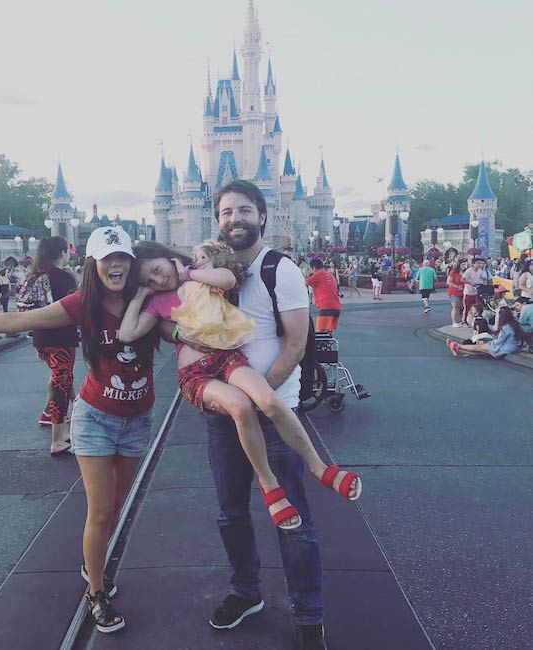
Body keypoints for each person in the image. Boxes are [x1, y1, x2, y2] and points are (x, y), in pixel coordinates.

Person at [0, 226, 157, 634]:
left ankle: (90, 561)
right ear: (93, 264)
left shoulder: (150, 302)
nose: (115, 265)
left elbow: (187, 327)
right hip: (96, 418)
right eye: (106, 258)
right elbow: (20, 319)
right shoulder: (84, 303)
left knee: (115, 509)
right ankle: (97, 591)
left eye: (122, 258)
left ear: (131, 263)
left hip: (137, 420)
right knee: (99, 511)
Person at [185, 179, 333, 648]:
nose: (235, 220)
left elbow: (295, 342)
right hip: (223, 415)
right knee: (231, 513)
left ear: (264, 216)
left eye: (244, 211)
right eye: (227, 212)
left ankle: (309, 614)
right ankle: (245, 591)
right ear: (218, 220)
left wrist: (258, 395)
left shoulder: (279, 270)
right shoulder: (213, 270)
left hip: (273, 411)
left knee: (292, 518)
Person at [123, 241, 359, 526]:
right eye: (150, 280)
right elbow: (127, 333)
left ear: (167, 257)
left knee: (270, 400)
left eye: (157, 270)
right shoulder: (158, 301)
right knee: (242, 406)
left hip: (229, 359)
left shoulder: (202, 272)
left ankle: (320, 467)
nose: (159, 280)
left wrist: (188, 273)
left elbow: (228, 279)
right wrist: (140, 295)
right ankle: (269, 485)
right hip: (196, 374)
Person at [30, 236, 79, 455]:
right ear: (61, 253)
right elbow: (75, 308)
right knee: (62, 382)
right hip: (61, 338)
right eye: (67, 250)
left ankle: (48, 414)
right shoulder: (64, 278)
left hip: (41, 337)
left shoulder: (36, 276)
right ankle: (58, 438)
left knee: (60, 375)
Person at [447, 306, 524, 358]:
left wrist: (490, 343)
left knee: (479, 347)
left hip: (504, 348)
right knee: (482, 352)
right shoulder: (515, 324)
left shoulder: (506, 327)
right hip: (511, 347)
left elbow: (500, 341)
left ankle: (459, 346)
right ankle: (459, 350)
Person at [306, 258, 342, 332]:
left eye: (310, 269)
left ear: (313, 268)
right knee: (327, 334)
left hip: (326, 306)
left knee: (319, 333)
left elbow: (305, 282)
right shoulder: (329, 274)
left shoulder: (318, 274)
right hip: (336, 307)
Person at [461, 258, 487, 324]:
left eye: (480, 263)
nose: (479, 265)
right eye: (478, 263)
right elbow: (463, 279)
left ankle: (477, 319)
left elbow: (483, 278)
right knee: (467, 307)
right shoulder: (469, 271)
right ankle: (464, 321)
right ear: (473, 264)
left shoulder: (480, 271)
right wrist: (470, 283)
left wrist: (483, 281)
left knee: (479, 306)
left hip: (476, 291)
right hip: (468, 292)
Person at [446, 260, 465, 327]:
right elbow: (449, 282)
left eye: (465, 265)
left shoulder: (466, 272)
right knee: (456, 307)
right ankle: (454, 322)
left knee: (464, 307)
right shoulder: (453, 272)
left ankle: (464, 321)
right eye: (463, 264)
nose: (464, 266)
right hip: (454, 292)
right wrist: (457, 287)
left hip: (464, 292)